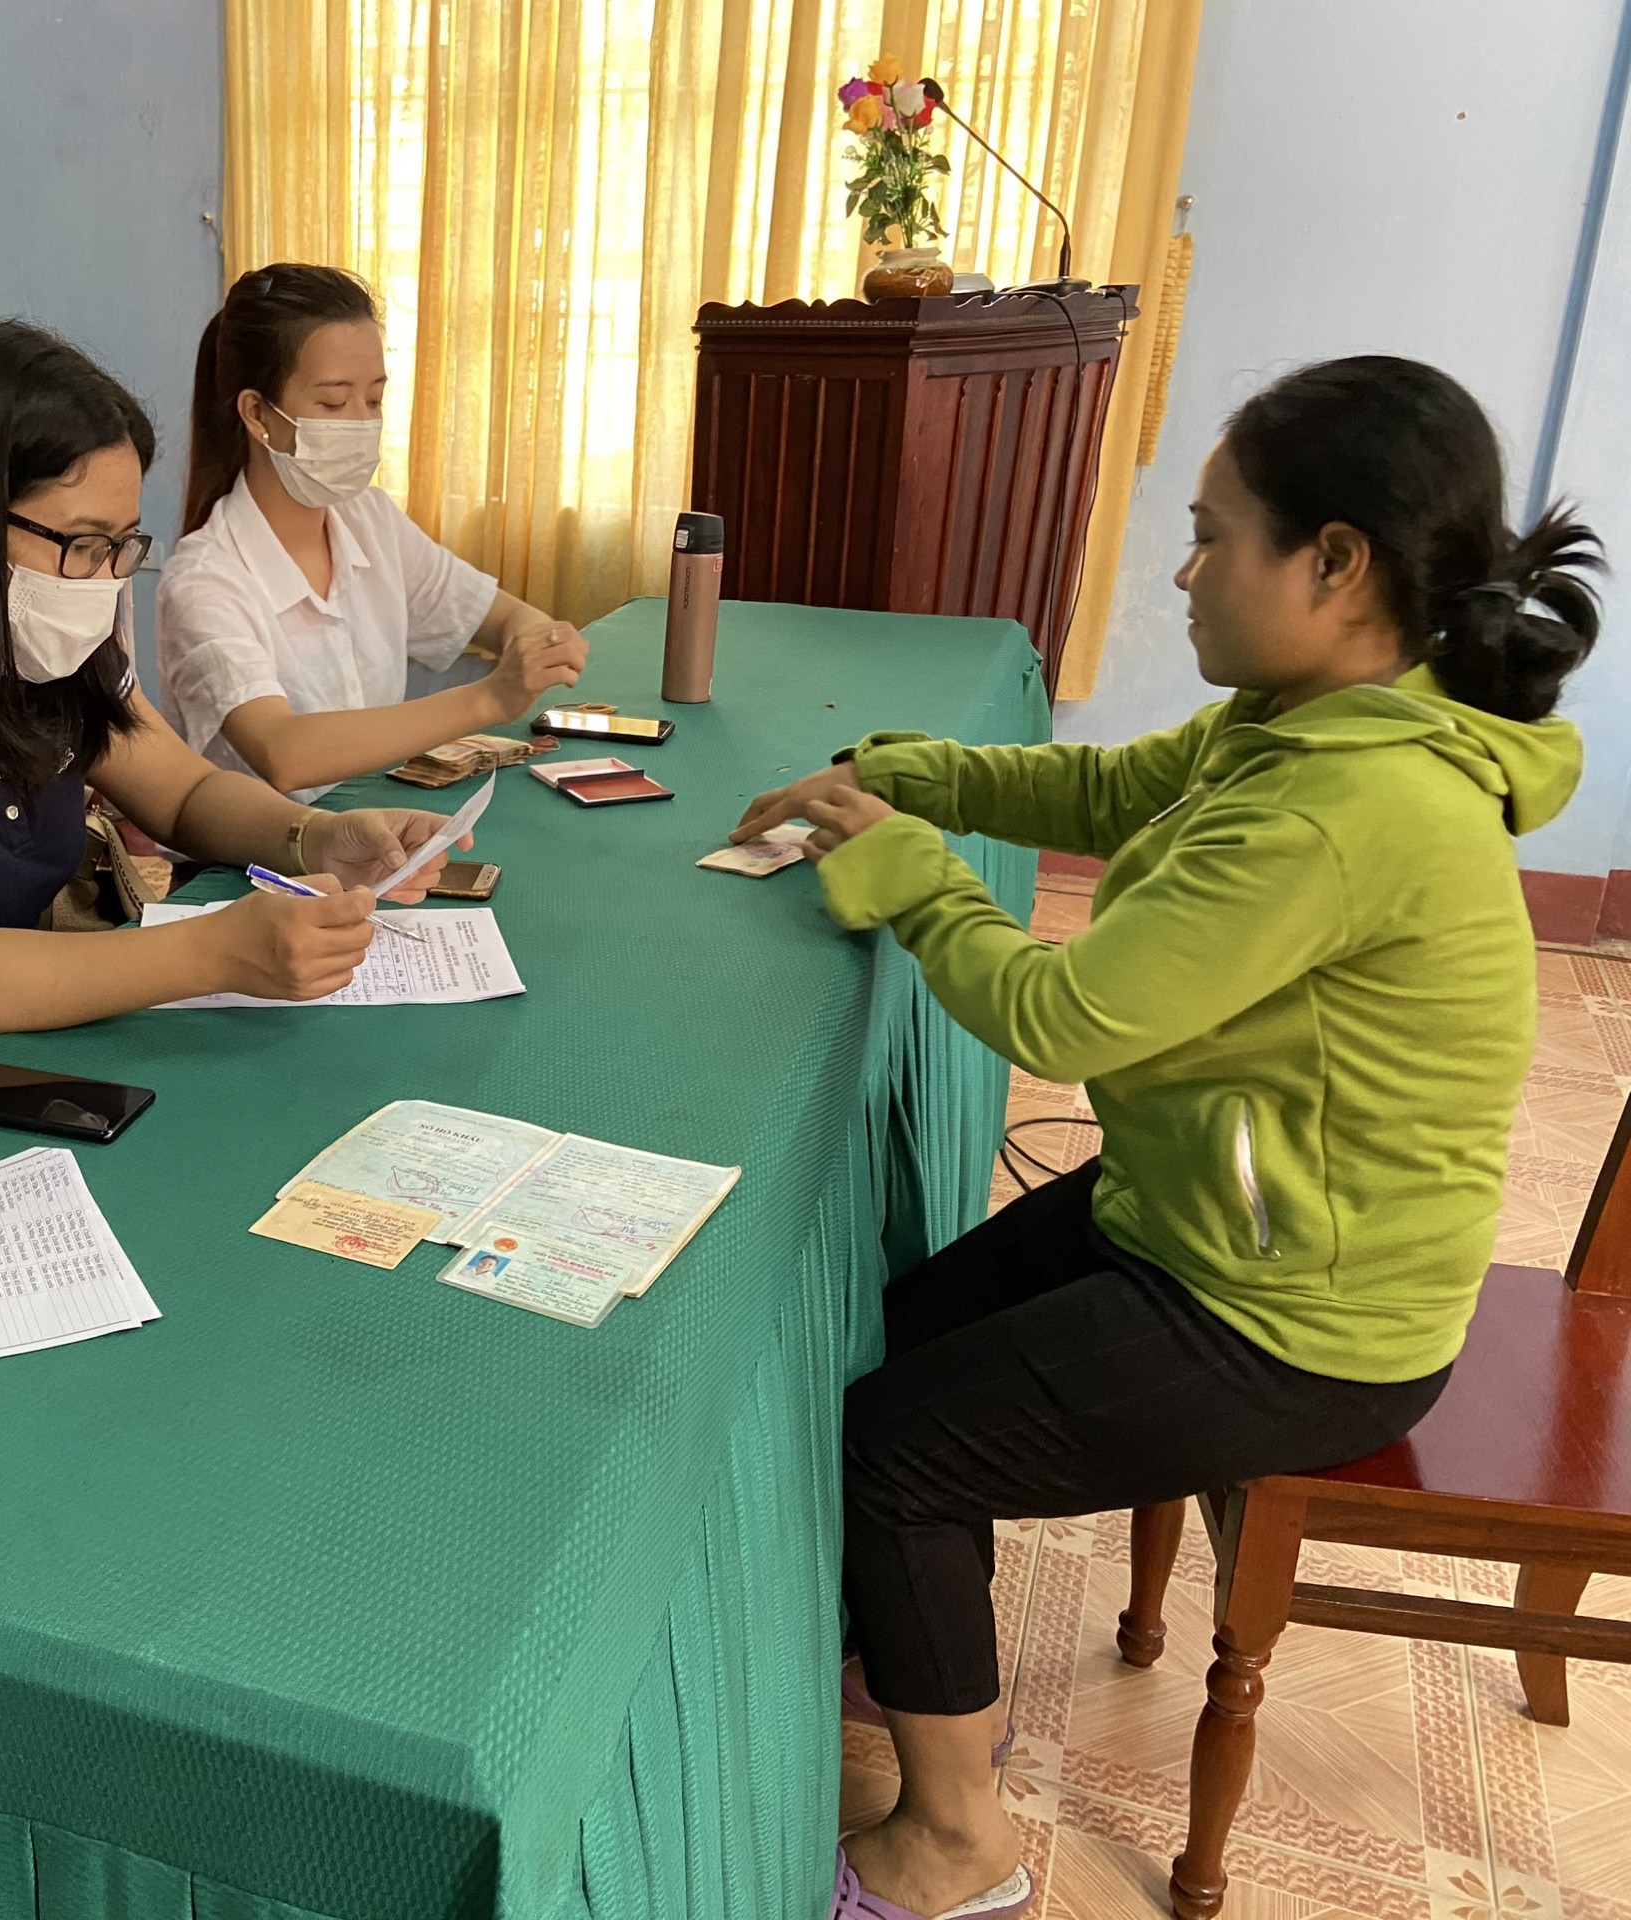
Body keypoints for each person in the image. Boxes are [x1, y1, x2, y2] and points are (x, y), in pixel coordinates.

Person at [731, 357, 1598, 1920]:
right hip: (1194, 1217)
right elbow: (1111, 786)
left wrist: (907, 867)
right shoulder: (1302, 722)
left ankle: (959, 1844)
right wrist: (901, 774)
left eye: (1211, 536)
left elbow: (1062, 1018)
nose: (1185, 573)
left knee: (896, 1449)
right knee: (889, 1345)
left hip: (1301, 1316)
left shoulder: (1350, 805)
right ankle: (923, 1661)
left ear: (1335, 564)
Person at [0, 321, 471, 1096]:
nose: (105, 580)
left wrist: (315, 838)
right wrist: (212, 953)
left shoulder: (36, 635)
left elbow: (185, 792)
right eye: (85, 544)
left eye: (122, 545)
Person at [155, 264, 591, 800]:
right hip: (267, 847)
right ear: (257, 414)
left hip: (378, 823)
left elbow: (500, 617)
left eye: (375, 399)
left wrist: (539, 641)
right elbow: (285, 753)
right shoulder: (204, 581)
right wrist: (489, 698)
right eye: (333, 403)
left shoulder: (369, 519)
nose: (362, 423)